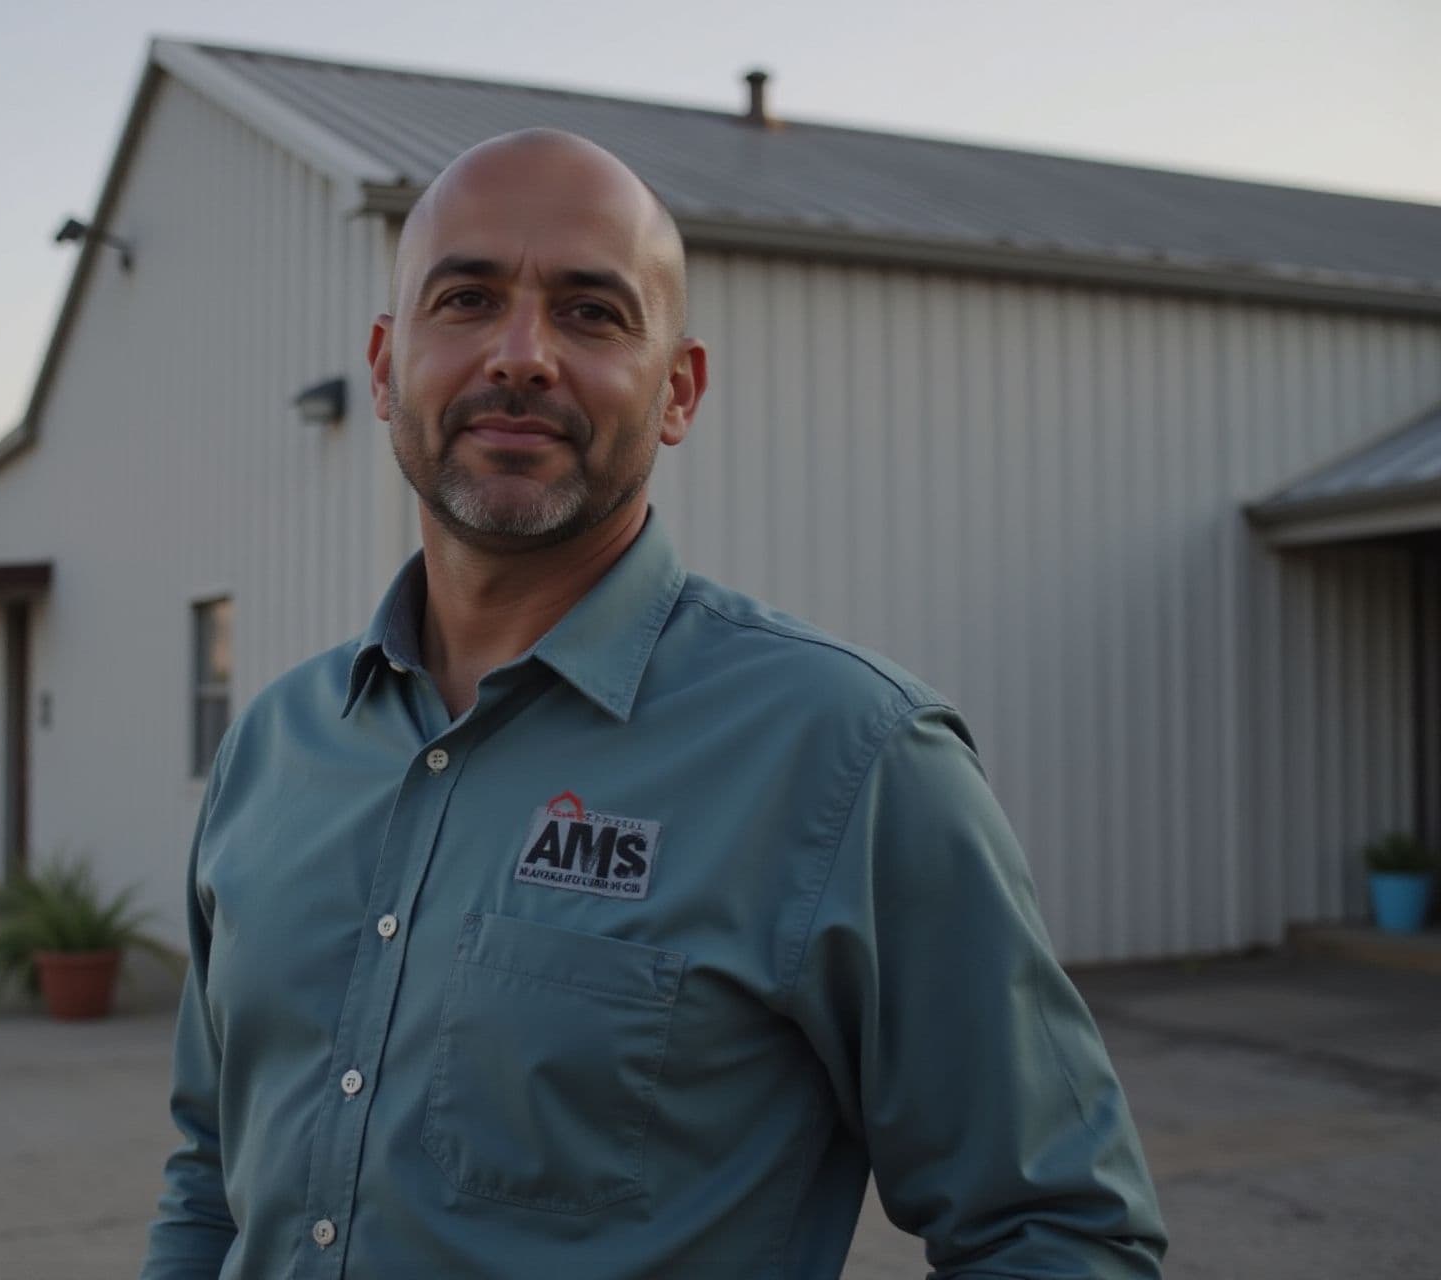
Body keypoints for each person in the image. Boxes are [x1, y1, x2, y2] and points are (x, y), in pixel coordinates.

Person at [141, 129, 1167, 1279]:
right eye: (468, 297)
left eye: (592, 312)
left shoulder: (846, 755)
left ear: (677, 390)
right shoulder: (274, 749)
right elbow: (210, 1169)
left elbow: (1060, 1230)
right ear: (385, 369)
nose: (521, 355)